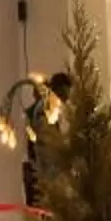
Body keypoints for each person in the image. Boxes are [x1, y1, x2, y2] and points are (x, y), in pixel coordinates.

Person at [21, 70, 73, 210]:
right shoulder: (45, 109)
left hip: (45, 170)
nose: (67, 96)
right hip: (44, 172)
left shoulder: (49, 108)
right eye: (66, 91)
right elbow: (46, 142)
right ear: (59, 89)